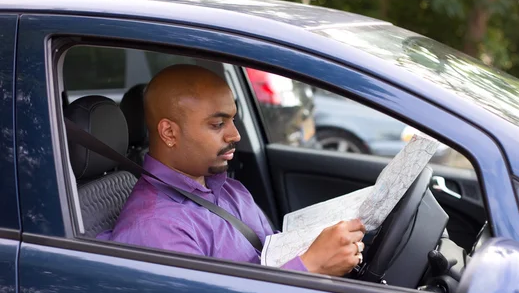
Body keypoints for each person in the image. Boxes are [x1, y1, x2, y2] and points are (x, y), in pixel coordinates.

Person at [98, 64, 365, 276]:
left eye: (233, 120)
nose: (235, 135)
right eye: (217, 124)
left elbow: (271, 258)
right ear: (169, 132)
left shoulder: (229, 189)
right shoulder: (156, 228)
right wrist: (311, 266)